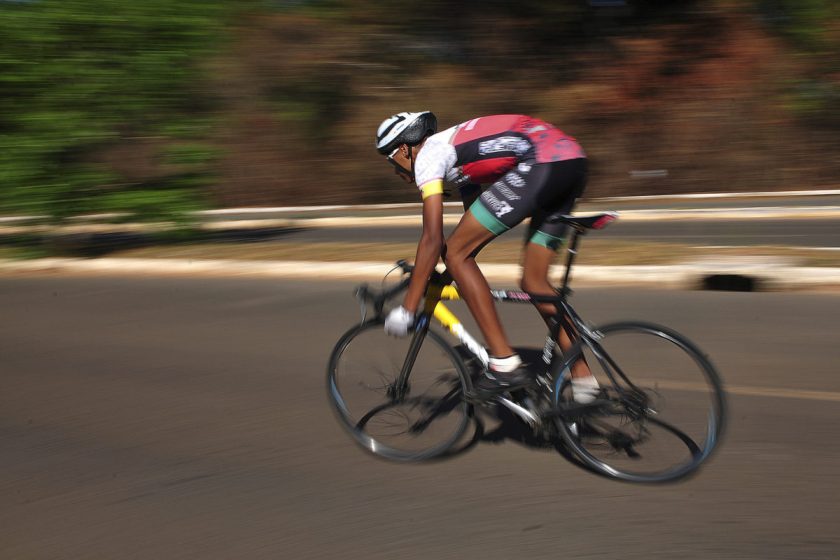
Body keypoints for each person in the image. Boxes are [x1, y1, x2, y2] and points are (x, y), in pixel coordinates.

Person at [375, 111, 599, 402]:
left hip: (542, 161)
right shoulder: (460, 161)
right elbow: (475, 230)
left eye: (391, 160)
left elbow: (433, 239)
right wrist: (446, 274)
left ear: (404, 148)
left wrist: (408, 308)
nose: (396, 170)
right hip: (571, 161)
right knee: (534, 282)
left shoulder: (429, 155)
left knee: (453, 251)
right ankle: (585, 382)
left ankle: (504, 362)